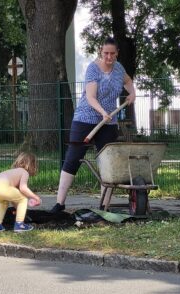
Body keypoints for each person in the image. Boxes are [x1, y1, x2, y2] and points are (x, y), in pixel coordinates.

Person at [50, 37, 136, 213]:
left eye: (112, 53)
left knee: (106, 163)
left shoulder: (119, 68)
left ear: (117, 53)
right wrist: (102, 111)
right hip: (85, 119)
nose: (109, 57)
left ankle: (104, 206)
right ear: (100, 52)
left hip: (109, 122)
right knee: (73, 158)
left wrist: (132, 93)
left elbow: (127, 81)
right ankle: (59, 204)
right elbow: (90, 97)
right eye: (106, 53)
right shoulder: (93, 69)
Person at [0, 152, 41, 232]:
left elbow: (14, 198)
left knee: (4, 202)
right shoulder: (24, 172)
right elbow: (23, 188)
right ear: (32, 165)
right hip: (1, 187)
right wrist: (35, 197)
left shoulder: (13, 172)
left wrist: (18, 209)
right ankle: (20, 225)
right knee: (23, 199)